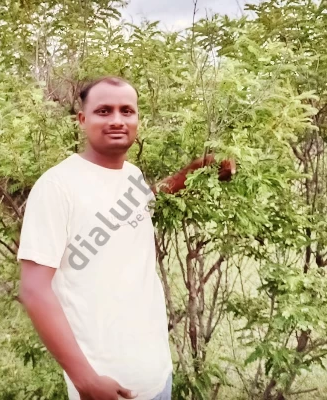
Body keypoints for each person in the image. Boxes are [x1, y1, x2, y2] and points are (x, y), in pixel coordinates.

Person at [17, 76, 235, 400]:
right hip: (105, 385)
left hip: (157, 374)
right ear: (82, 120)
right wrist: (86, 381)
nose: (117, 120)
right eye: (104, 111)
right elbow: (34, 290)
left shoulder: (131, 175)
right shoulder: (57, 187)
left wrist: (198, 170)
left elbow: (149, 198)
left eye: (127, 111)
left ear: (137, 120)